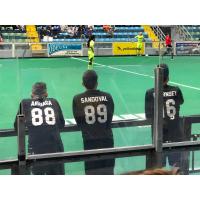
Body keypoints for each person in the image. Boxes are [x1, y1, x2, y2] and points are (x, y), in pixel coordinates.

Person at [14, 82, 65, 175]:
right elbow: (62, 124)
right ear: (46, 94)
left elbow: (16, 126)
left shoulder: (25, 103)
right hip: (55, 147)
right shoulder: (54, 101)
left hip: (35, 149)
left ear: (31, 94)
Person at [72, 70, 115, 174]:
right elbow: (110, 117)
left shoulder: (77, 98)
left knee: (91, 171)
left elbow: (79, 122)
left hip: (89, 141)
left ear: (83, 84)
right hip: (107, 139)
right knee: (108, 171)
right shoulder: (107, 96)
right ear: (97, 83)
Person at [145, 64, 185, 169]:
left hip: (159, 135)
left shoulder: (150, 93)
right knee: (176, 165)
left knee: (158, 166)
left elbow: (148, 116)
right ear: (168, 78)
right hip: (175, 133)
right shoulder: (176, 90)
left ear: (156, 77)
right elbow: (180, 102)